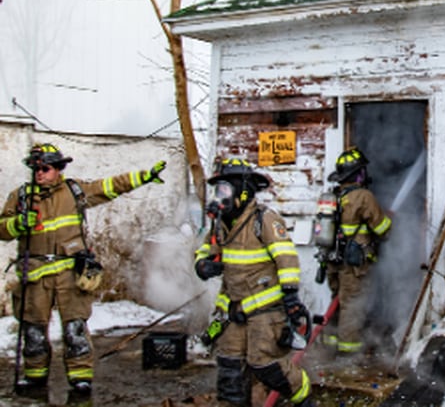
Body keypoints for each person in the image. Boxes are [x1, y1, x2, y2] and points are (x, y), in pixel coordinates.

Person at [0, 142, 166, 400]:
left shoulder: (73, 191)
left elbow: (109, 187)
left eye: (45, 168)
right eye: (35, 169)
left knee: (75, 329)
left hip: (69, 275)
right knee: (33, 330)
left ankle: (80, 379)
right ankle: (35, 377)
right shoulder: (20, 197)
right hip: (34, 276)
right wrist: (17, 224)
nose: (39, 173)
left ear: (58, 169)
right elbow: (1, 229)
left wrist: (143, 177)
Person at [194, 157, 316, 407]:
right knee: (229, 367)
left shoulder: (265, 220)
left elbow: (286, 258)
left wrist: (291, 296)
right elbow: (204, 250)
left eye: (225, 189)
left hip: (265, 310)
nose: (220, 196)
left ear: (244, 191)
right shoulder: (220, 224)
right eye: (219, 190)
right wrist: (202, 264)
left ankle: (303, 396)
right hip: (232, 309)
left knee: (265, 364)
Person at [325, 147, 392, 359]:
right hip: (354, 265)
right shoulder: (363, 196)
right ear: (358, 174)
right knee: (352, 305)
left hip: (332, 261)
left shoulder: (333, 196)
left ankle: (329, 345)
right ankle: (348, 355)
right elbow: (382, 229)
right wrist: (389, 219)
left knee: (337, 300)